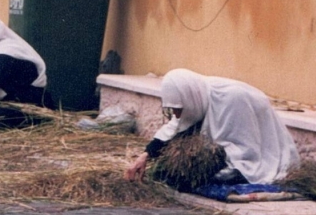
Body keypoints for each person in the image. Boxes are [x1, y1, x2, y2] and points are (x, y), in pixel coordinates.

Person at [125, 68, 299, 184]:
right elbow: (175, 127)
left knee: (218, 176)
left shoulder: (230, 98)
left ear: (189, 97)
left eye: (179, 109)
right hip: (229, 145)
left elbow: (244, 145)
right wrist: (145, 156)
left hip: (261, 151)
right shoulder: (194, 99)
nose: (177, 114)